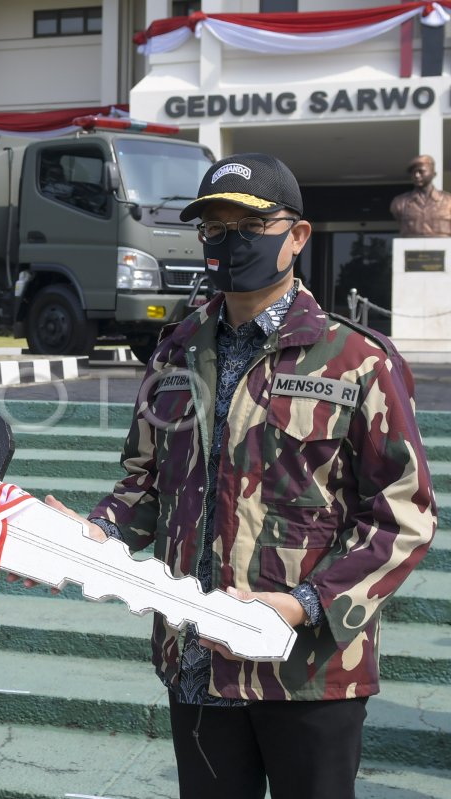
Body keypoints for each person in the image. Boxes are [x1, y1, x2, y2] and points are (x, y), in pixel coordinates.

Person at [45, 153, 436, 799]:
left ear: (297, 236)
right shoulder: (175, 350)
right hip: (195, 655)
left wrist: (305, 603)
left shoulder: (357, 359)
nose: (229, 241)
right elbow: (144, 483)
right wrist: (94, 532)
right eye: (213, 228)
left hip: (305, 664)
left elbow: (403, 514)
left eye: (249, 225)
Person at [389, 154, 451, 237]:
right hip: (410, 247)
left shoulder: (448, 200)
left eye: (421, 171)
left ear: (434, 174)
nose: (417, 175)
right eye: (413, 172)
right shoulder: (399, 202)